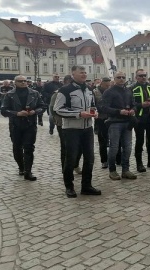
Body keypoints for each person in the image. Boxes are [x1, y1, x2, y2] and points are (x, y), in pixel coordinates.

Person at [54, 66, 101, 198]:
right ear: (73, 73)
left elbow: (93, 105)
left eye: (85, 72)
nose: (84, 74)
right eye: (81, 73)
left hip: (87, 128)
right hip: (71, 129)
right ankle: (69, 187)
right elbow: (58, 109)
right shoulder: (65, 90)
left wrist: (95, 112)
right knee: (71, 158)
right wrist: (79, 114)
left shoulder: (89, 89)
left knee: (90, 158)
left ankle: (87, 186)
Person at [1, 75, 46, 180]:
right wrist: (17, 113)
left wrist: (35, 111)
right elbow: (3, 110)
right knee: (17, 147)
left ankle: (28, 171)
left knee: (29, 147)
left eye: (25, 81)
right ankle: (21, 167)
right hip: (15, 125)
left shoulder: (34, 93)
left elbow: (43, 106)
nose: (23, 83)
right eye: (20, 81)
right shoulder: (9, 95)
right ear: (15, 82)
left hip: (30, 124)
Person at [101, 72, 137, 181]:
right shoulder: (109, 92)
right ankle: (112, 170)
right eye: (119, 77)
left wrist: (133, 110)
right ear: (114, 79)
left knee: (128, 147)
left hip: (128, 122)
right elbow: (104, 107)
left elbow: (134, 104)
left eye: (123, 77)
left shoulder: (128, 90)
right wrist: (119, 112)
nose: (121, 79)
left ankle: (125, 170)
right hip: (115, 122)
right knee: (114, 147)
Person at [130, 69, 150, 172]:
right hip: (139, 118)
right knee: (139, 141)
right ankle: (139, 164)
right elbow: (130, 103)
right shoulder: (132, 88)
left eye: (144, 75)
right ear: (136, 77)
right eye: (140, 75)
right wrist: (140, 105)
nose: (143, 77)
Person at [49, 75, 73, 171]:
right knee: (65, 145)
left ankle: (73, 164)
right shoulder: (58, 93)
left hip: (75, 122)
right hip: (62, 122)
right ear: (66, 82)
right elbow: (52, 109)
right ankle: (65, 166)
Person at [93, 77, 112, 169]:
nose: (108, 87)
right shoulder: (95, 92)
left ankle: (116, 158)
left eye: (109, 85)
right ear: (102, 84)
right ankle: (104, 160)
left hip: (111, 118)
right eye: (106, 85)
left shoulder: (111, 91)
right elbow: (93, 104)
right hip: (100, 119)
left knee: (114, 140)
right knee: (103, 141)